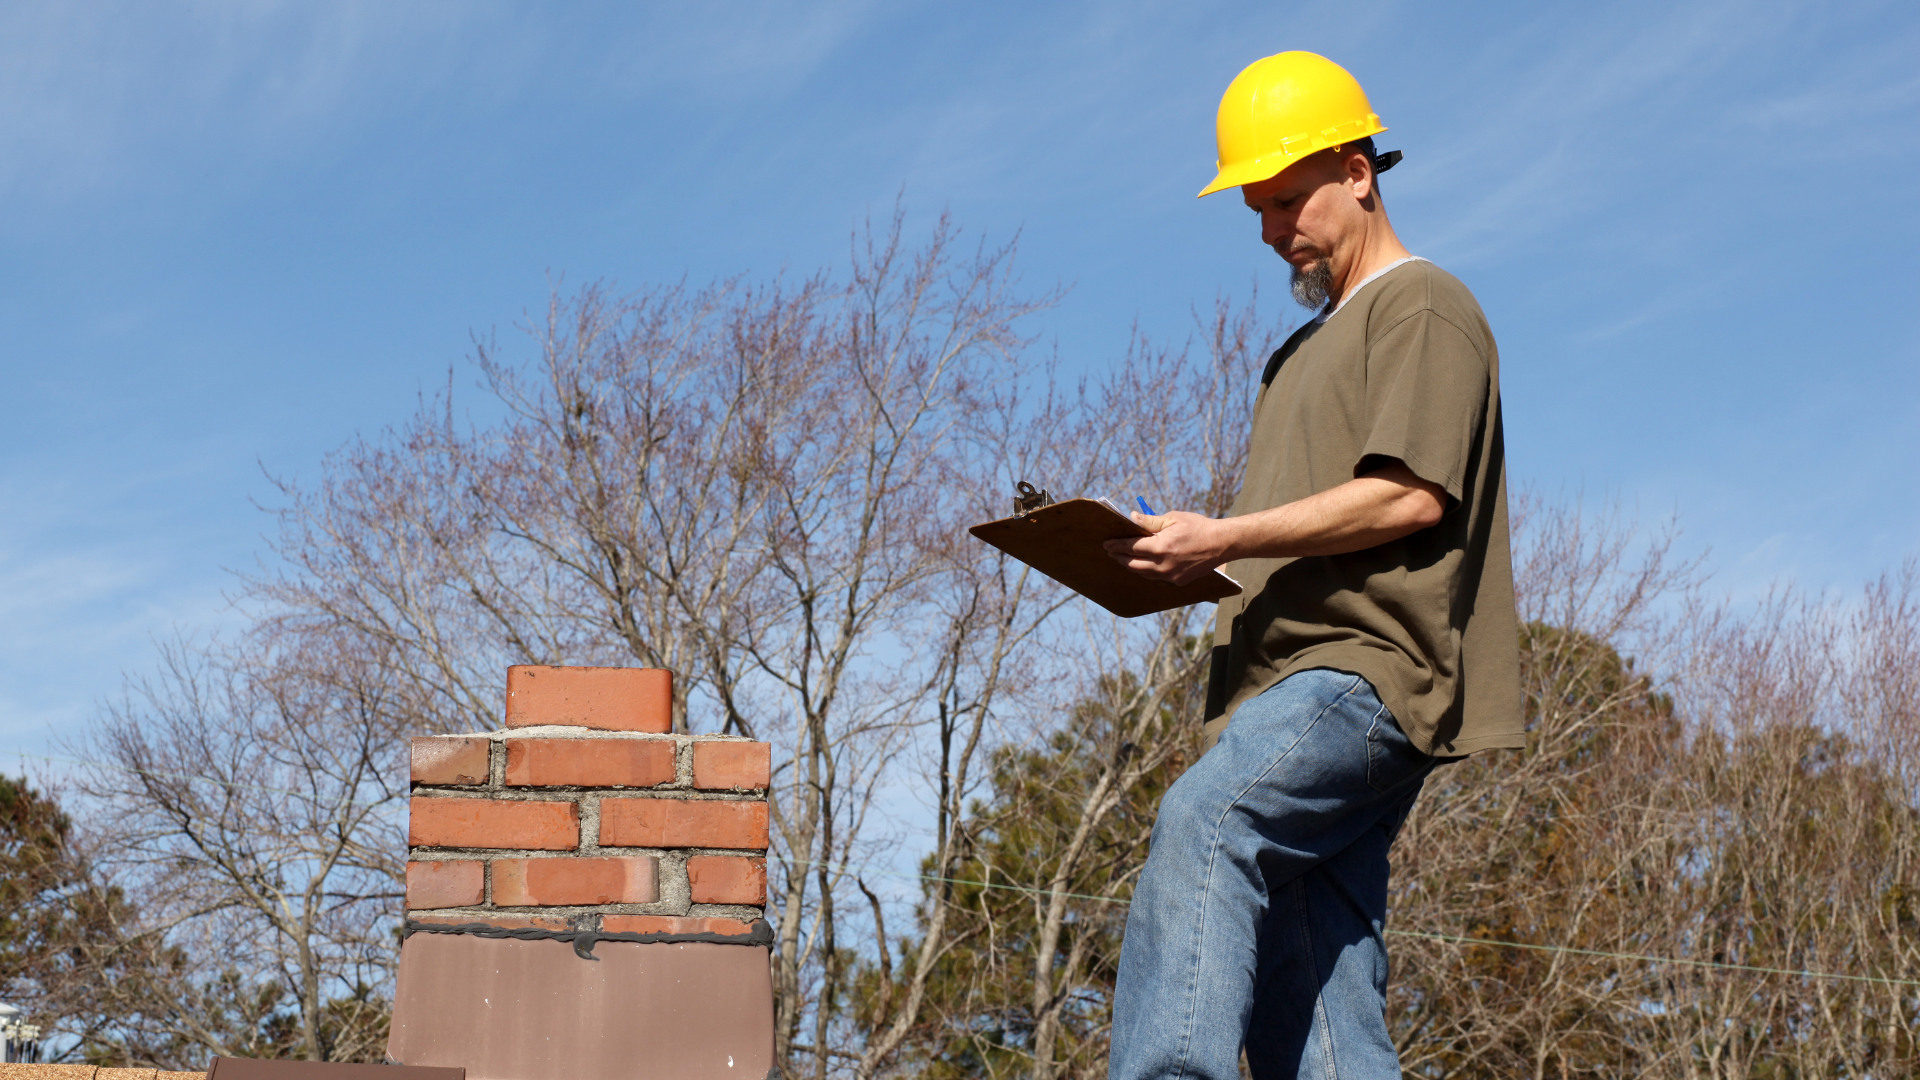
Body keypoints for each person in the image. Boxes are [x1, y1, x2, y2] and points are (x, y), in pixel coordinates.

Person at [1101, 51, 1524, 1080]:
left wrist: (1224, 536)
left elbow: (1409, 495)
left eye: (1289, 199)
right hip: (1275, 686)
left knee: (1207, 823)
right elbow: (1299, 530)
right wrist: (1171, 559)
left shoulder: (1423, 305)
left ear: (1358, 171)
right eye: (1255, 209)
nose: (1269, 229)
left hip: (1365, 673)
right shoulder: (1296, 355)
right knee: (1319, 988)